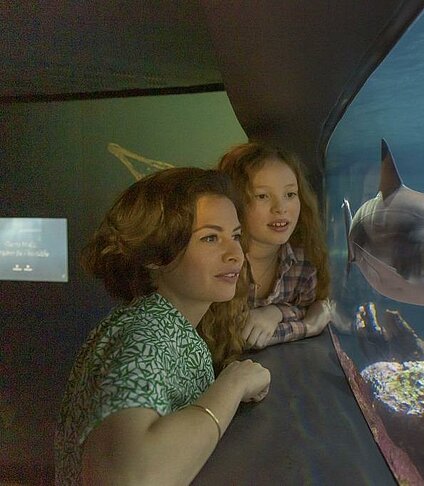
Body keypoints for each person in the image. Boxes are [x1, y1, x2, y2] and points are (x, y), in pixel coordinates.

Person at [54, 167, 271, 485]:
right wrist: (232, 385)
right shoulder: (145, 336)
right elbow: (130, 477)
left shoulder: (159, 322)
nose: (234, 253)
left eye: (235, 236)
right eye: (210, 237)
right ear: (155, 255)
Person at [199, 142, 331, 370]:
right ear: (234, 201)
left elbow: (310, 305)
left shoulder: (303, 260)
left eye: (290, 194)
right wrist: (307, 327)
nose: (281, 208)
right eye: (262, 196)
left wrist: (275, 312)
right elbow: (235, 339)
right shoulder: (218, 261)